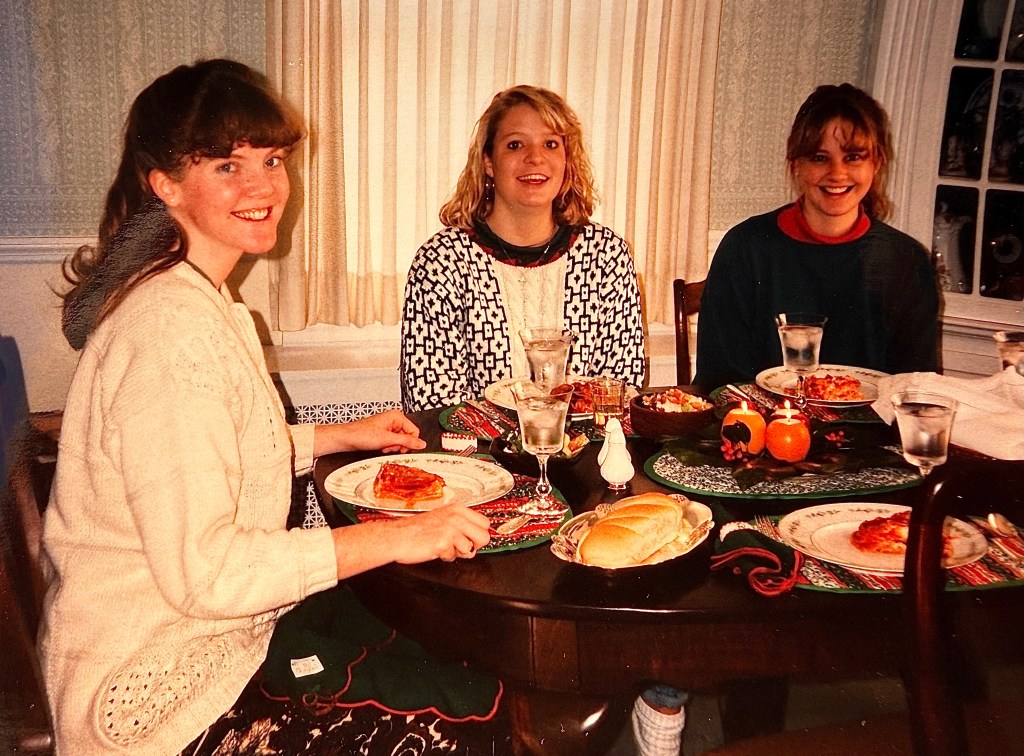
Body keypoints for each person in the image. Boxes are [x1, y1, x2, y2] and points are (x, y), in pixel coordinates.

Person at [38, 59, 506, 755]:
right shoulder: (168, 333)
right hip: (158, 702)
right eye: (227, 165)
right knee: (468, 720)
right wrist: (393, 537)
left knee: (454, 652)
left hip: (227, 639)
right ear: (166, 184)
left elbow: (214, 450)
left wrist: (334, 437)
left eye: (273, 160)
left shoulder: (195, 296)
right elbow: (210, 573)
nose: (263, 186)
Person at [400, 84, 646, 412]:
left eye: (550, 144)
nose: (535, 158)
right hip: (477, 445)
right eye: (515, 144)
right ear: (488, 162)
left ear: (567, 160)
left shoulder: (607, 255)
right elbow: (432, 402)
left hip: (587, 442)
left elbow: (620, 387)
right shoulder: (442, 262)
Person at [694, 83, 940, 392]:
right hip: (763, 421)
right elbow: (721, 384)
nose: (837, 173)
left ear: (876, 164)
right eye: (820, 158)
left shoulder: (906, 260)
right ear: (796, 165)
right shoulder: (745, 249)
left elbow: (917, 388)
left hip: (872, 424)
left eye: (853, 157)